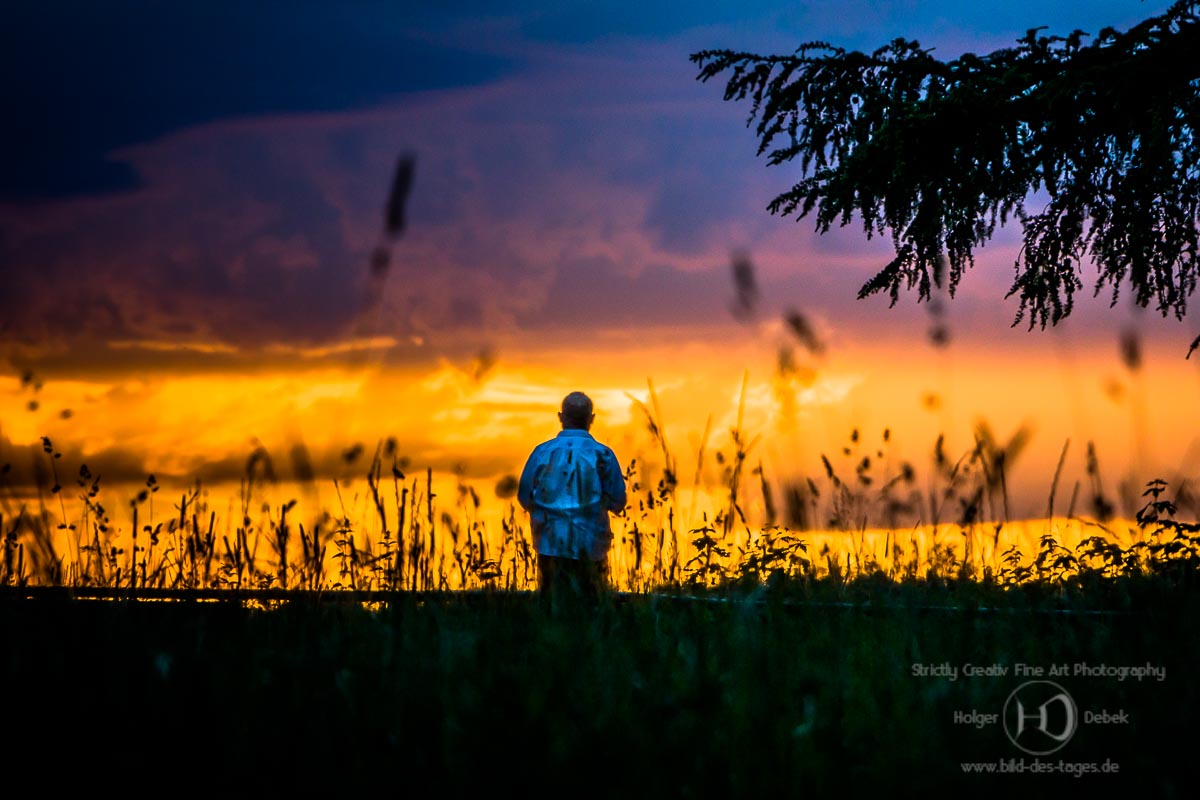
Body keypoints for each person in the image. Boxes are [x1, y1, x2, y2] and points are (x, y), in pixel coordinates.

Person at [518, 391, 627, 603]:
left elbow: (524, 497)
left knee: (552, 604)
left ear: (561, 417)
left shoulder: (542, 452)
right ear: (591, 418)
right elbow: (618, 502)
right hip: (591, 546)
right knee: (591, 604)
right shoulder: (602, 455)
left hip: (549, 544)